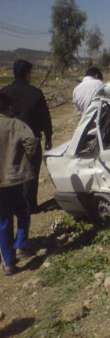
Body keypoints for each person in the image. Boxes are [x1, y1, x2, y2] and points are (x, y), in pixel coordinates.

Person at [0, 60, 52, 212]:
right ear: (27, 74)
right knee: (31, 173)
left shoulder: (4, 92)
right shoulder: (36, 93)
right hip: (32, 139)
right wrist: (48, 137)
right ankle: (30, 206)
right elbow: (45, 117)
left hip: (8, 140)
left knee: (9, 170)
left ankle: (11, 206)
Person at [0, 93, 37, 276]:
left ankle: (8, 263)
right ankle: (21, 243)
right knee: (23, 211)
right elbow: (31, 141)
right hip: (14, 178)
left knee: (3, 221)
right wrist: (26, 156)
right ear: (8, 107)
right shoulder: (15, 124)